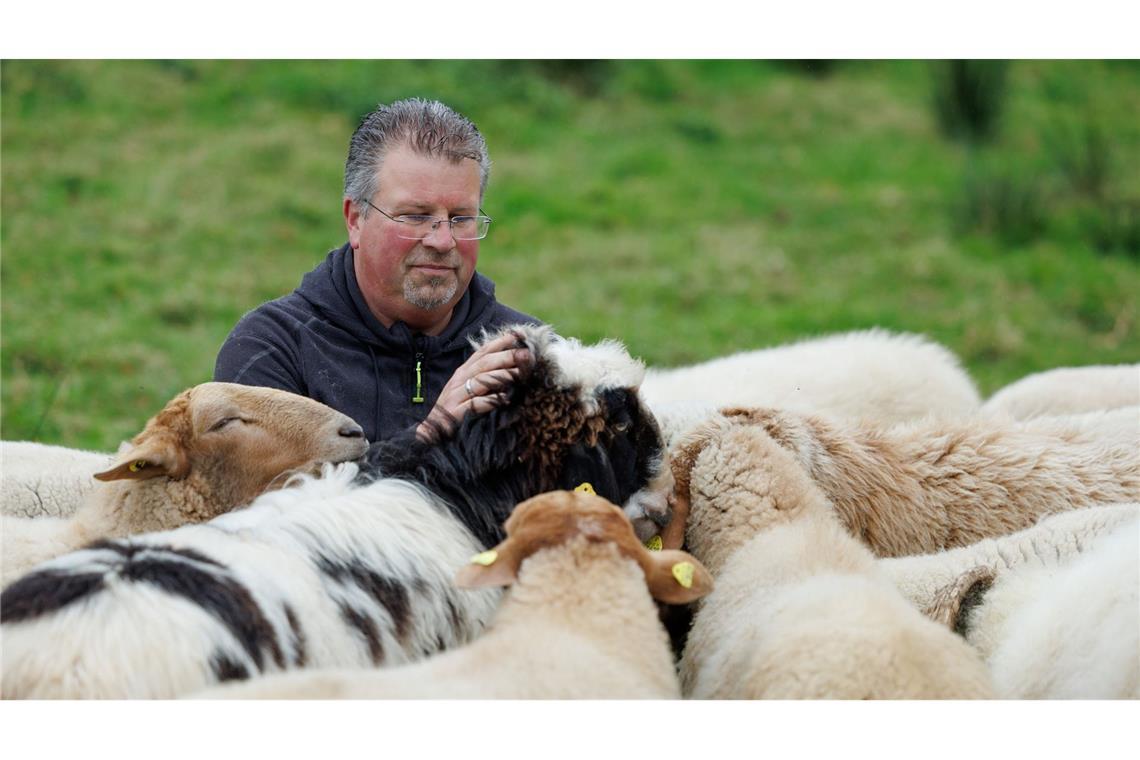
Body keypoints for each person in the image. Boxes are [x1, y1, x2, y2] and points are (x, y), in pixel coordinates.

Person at [214, 98, 540, 442]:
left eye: (461, 218)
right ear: (355, 220)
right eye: (415, 216)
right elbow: (283, 497)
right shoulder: (273, 349)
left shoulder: (528, 356)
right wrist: (432, 437)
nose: (443, 241)